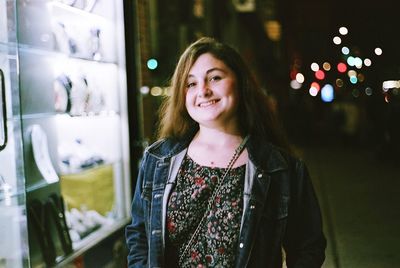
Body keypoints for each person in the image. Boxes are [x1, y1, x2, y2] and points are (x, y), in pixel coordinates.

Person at [125, 37, 326, 267]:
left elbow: (307, 249)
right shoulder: (158, 159)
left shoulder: (280, 167)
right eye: (190, 83)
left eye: (215, 78)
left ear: (241, 84)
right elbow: (139, 237)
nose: (203, 90)